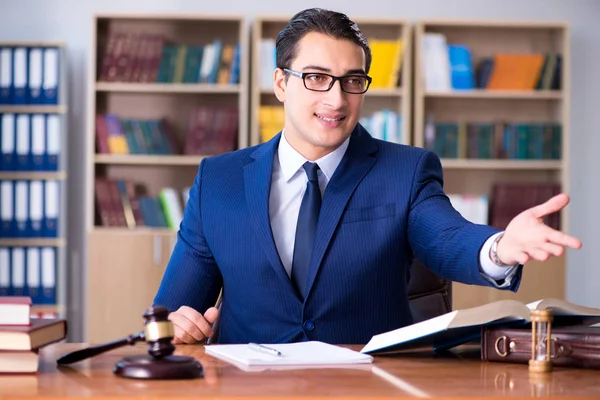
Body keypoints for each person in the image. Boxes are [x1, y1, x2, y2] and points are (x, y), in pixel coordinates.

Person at [153, 8, 581, 345]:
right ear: (281, 83)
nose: (336, 99)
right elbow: (172, 311)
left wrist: (501, 247)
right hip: (250, 389)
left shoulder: (405, 171)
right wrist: (180, 322)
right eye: (317, 78)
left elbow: (448, 237)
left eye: (352, 80)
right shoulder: (219, 180)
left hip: (369, 385)